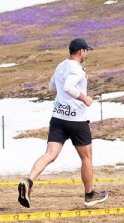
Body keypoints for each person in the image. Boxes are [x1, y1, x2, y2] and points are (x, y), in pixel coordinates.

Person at [18, 38, 108, 208]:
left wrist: (64, 100)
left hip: (58, 118)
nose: (86, 54)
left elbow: (52, 87)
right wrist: (84, 98)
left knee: (49, 155)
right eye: (86, 51)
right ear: (81, 51)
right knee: (86, 157)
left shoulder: (61, 66)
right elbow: (68, 87)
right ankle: (89, 195)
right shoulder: (77, 69)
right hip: (76, 120)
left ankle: (28, 181)